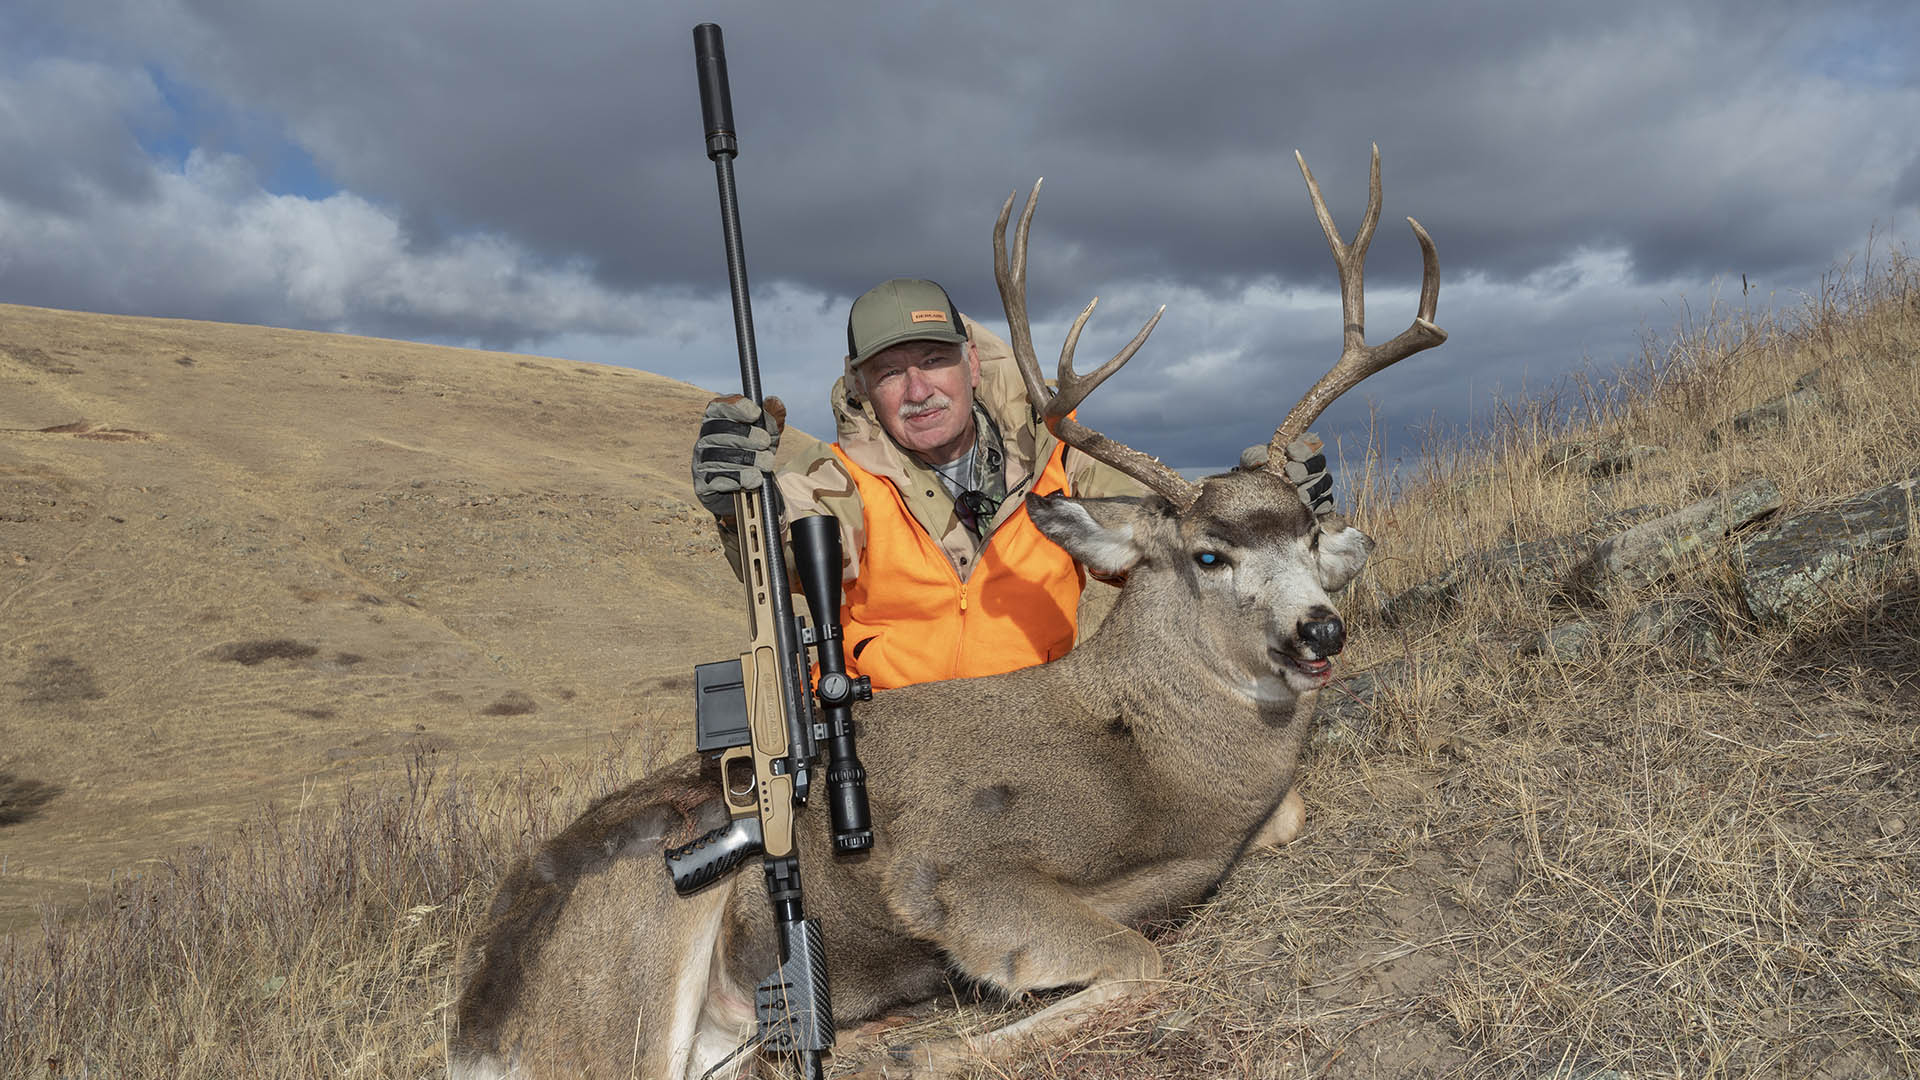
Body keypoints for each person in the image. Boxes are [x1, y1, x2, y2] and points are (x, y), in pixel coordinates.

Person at [691, 277, 1332, 691]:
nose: (918, 392)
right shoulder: (842, 479)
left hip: (1040, 726)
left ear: (972, 362)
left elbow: (1172, 530)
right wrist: (739, 505)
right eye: (890, 374)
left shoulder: (1060, 454)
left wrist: (1262, 501)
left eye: (935, 361)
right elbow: (793, 547)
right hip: (888, 730)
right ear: (861, 386)